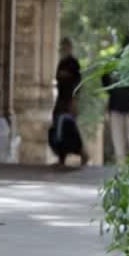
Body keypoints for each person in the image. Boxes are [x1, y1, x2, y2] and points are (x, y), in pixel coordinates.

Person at [101, 36, 129, 164]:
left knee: (118, 140)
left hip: (116, 104)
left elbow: (105, 81)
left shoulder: (114, 60)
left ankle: (122, 169)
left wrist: (112, 93)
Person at [48, 36, 87, 166]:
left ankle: (82, 153)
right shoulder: (61, 63)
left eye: (66, 46)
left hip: (70, 100)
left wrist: (74, 100)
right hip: (61, 101)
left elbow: (78, 83)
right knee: (57, 128)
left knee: (70, 128)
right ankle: (61, 157)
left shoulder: (74, 63)